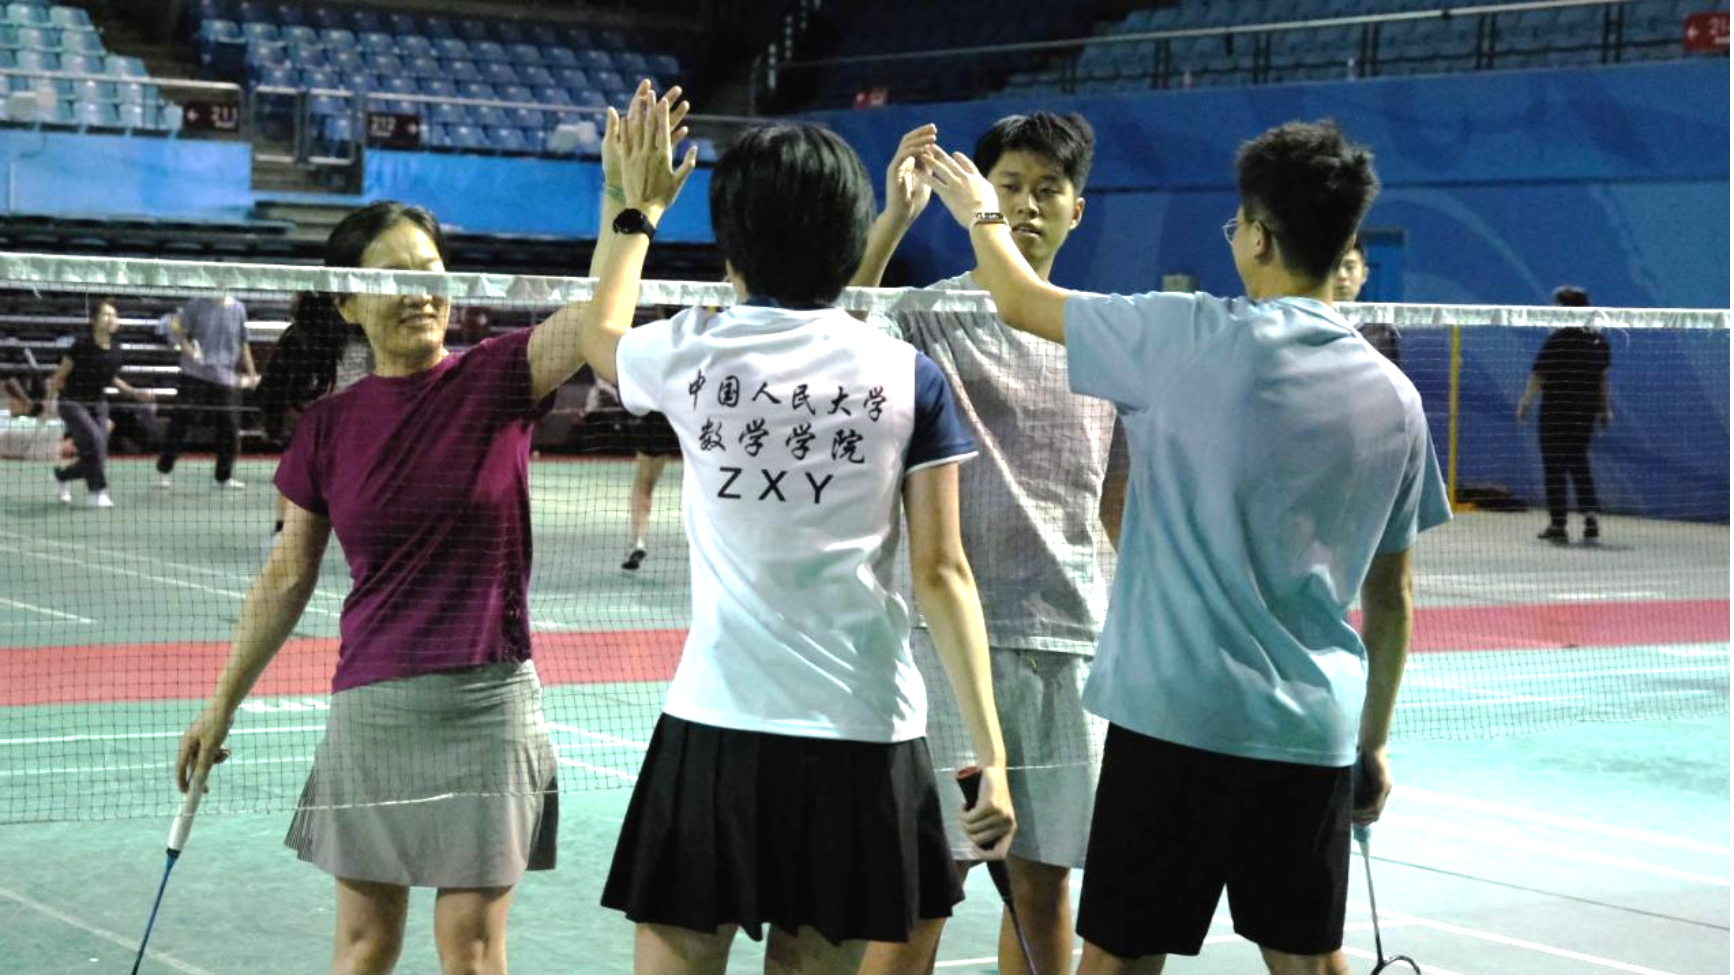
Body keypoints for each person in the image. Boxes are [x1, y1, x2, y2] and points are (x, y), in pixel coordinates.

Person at [917, 118, 1452, 975]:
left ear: (1260, 238)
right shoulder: (1398, 399)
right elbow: (1392, 598)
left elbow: (1015, 301)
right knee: (1310, 959)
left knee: (1119, 958)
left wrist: (982, 209)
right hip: (1311, 731)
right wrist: (1372, 743)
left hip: (1172, 722)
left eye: (1238, 225)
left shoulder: (1181, 335)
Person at [578, 93, 1016, 974]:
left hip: (717, 726)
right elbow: (943, 574)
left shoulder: (691, 351)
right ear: (849, 238)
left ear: (732, 246)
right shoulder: (908, 376)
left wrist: (632, 207)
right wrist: (992, 757)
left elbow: (601, 333)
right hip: (863, 739)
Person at [172, 173, 641, 970]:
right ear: (348, 303)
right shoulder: (326, 428)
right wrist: (220, 708)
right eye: (393, 278)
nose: (420, 293)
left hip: (488, 707)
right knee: (364, 947)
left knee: (472, 950)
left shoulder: (498, 377)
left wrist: (626, 206)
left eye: (430, 273)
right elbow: (286, 578)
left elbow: (601, 313)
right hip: (373, 711)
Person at [852, 112, 1124, 976]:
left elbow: (1117, 502)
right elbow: (843, 331)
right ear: (975, 195)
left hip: (1067, 645)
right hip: (941, 646)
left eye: (1048, 189)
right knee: (922, 895)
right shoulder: (930, 318)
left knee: (1044, 896)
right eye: (1009, 186)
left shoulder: (1102, 334)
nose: (1027, 206)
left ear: (1078, 210)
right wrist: (892, 223)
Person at [1517, 285, 1611, 543]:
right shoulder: (1599, 342)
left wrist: (1525, 402)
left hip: (1555, 412)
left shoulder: (1557, 340)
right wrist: (1604, 409)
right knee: (1579, 460)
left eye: (1557, 305)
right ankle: (1590, 517)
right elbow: (1602, 379)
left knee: (1554, 466)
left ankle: (1558, 523)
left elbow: (1539, 374)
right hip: (1585, 412)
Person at [44, 300, 156, 508]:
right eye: (105, 314)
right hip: (72, 403)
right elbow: (59, 376)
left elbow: (112, 377)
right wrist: (47, 406)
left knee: (98, 455)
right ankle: (97, 492)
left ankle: (62, 476)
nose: (111, 318)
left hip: (98, 403)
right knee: (95, 440)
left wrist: (134, 392)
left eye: (114, 314)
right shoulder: (81, 346)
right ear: (94, 320)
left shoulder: (116, 349)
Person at [155, 292, 259, 491]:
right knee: (181, 424)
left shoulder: (239, 309)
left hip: (225, 377)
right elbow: (179, 330)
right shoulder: (196, 304)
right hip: (195, 374)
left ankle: (223, 476)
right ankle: (164, 470)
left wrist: (252, 374)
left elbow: (244, 342)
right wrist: (190, 351)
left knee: (230, 427)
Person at [1333, 235, 1400, 366]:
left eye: (1350, 267)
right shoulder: (1309, 324)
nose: (1342, 275)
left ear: (1364, 274)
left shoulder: (1382, 330)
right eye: (1334, 267)